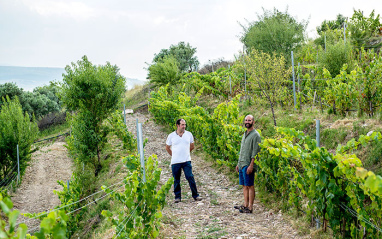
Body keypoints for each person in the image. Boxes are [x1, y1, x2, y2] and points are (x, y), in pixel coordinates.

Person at [166, 118, 202, 203]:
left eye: (185, 124)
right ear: (177, 125)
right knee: (176, 179)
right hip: (175, 162)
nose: (184, 126)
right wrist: (174, 155)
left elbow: (192, 146)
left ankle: (195, 195)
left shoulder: (189, 134)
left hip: (186, 161)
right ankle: (177, 197)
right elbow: (167, 148)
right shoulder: (171, 136)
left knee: (190, 177)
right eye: (182, 125)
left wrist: (186, 153)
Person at [235, 114, 261, 213]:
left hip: (248, 164)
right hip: (242, 163)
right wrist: (238, 163)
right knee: (244, 186)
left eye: (249, 120)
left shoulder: (256, 135)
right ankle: (245, 205)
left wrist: (251, 165)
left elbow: (256, 152)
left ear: (253, 122)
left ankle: (250, 207)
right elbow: (242, 150)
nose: (247, 122)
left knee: (250, 185)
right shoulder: (245, 134)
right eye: (246, 120)